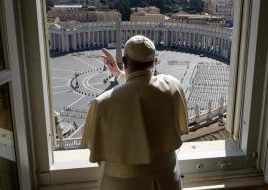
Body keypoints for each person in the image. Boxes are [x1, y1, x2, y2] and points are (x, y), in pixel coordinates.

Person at [81, 35, 189, 190]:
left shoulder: (102, 103)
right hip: (167, 178)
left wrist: (119, 72)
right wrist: (118, 73)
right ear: (154, 61)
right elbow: (143, 85)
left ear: (124, 62)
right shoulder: (173, 85)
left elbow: (97, 151)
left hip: (122, 183)